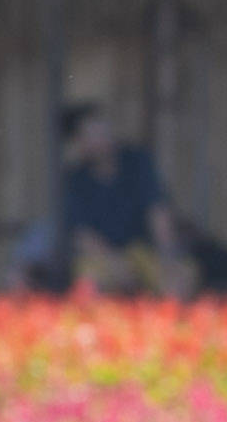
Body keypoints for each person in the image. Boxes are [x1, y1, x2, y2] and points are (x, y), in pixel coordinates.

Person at [51, 104, 186, 296]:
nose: (103, 135)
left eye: (102, 127)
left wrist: (168, 259)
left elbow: (158, 214)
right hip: (103, 257)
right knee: (88, 284)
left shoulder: (138, 162)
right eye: (92, 133)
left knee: (176, 282)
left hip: (143, 252)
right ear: (80, 143)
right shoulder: (75, 180)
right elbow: (82, 236)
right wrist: (116, 264)